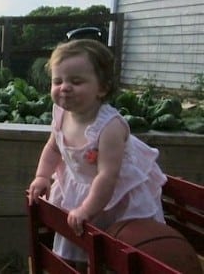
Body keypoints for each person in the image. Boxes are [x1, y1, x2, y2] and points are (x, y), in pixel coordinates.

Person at [27, 39, 167, 266]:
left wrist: (86, 209)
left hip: (116, 194)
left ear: (102, 88)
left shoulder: (109, 127)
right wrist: (43, 176)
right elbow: (53, 147)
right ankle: (85, 263)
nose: (64, 87)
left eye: (76, 81)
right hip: (81, 184)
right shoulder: (61, 114)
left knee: (118, 246)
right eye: (57, 80)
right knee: (80, 239)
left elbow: (107, 176)